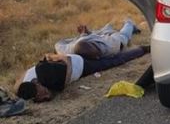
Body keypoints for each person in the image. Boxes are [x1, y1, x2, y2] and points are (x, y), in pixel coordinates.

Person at [15, 19, 147, 102]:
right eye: (39, 98)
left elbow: (65, 59)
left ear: (37, 83)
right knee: (65, 44)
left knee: (116, 57)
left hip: (80, 63)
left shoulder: (51, 76)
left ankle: (140, 43)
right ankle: (87, 35)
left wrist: (62, 79)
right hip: (72, 51)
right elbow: (19, 83)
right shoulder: (24, 88)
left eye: (42, 93)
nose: (45, 96)